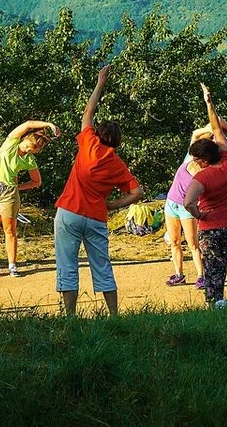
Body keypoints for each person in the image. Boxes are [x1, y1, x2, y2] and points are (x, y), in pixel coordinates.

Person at [54, 65, 144, 316]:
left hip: (69, 211)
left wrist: (100, 82)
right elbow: (137, 192)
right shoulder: (117, 164)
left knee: (67, 266)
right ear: (117, 141)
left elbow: (88, 112)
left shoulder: (88, 142)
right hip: (96, 216)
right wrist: (113, 205)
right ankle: (114, 315)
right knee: (102, 267)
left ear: (100, 134)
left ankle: (70, 316)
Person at [184, 84, 227, 306]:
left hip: (212, 231)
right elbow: (217, 129)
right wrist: (209, 103)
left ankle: (215, 311)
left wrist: (199, 214)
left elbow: (187, 202)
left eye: (196, 159)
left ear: (203, 161)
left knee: (214, 277)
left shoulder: (202, 178)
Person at [165, 119, 227, 288]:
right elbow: (210, 124)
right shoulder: (191, 155)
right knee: (175, 242)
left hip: (186, 209)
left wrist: (198, 213)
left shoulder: (207, 170)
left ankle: (201, 276)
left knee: (193, 244)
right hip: (171, 203)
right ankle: (179, 274)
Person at [0, 120, 58, 277]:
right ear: (25, 138)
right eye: (29, 145)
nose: (28, 149)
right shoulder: (10, 143)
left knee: (9, 229)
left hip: (8, 192)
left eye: (34, 149)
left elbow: (37, 181)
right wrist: (49, 125)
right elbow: (28, 124)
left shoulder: (29, 160)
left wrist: (18, 188)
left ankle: (12, 265)